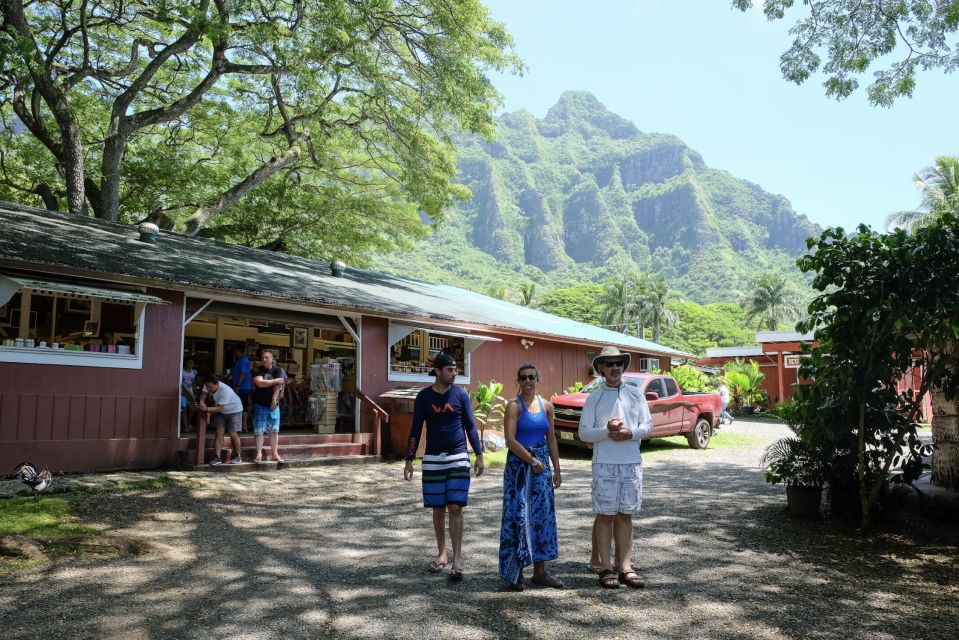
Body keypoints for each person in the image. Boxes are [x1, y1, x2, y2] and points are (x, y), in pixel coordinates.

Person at [403, 353, 484, 582]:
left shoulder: (461, 394)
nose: (454, 373)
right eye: (450, 369)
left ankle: (457, 559)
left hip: (458, 457)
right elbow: (416, 429)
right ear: (438, 371)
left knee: (456, 507)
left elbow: (470, 425)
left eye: (456, 369)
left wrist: (478, 455)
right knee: (438, 509)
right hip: (432, 460)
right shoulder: (423, 397)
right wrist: (409, 459)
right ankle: (442, 554)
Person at [579, 346, 652, 589]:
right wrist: (606, 431)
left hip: (630, 462)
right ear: (601, 368)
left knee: (625, 514)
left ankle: (626, 567)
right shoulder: (594, 397)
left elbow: (648, 426)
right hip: (605, 463)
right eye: (609, 364)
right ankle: (605, 567)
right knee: (605, 515)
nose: (614, 368)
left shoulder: (636, 394)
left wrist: (631, 432)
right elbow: (583, 432)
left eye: (618, 363)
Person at [499, 362, 563, 591]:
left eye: (531, 377)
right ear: (518, 381)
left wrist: (556, 468)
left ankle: (540, 571)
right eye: (523, 378)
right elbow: (510, 440)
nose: (528, 382)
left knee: (542, 517)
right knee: (517, 516)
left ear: (538, 379)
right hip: (520, 468)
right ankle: (514, 572)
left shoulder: (546, 406)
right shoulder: (514, 406)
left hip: (541, 469)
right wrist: (532, 460)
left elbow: (552, 439)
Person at [197, 375, 245, 465]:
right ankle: (217, 457)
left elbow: (220, 408)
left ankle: (238, 456)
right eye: (207, 387)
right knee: (219, 431)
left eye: (210, 387)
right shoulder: (208, 384)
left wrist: (206, 409)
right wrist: (202, 402)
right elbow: (203, 394)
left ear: (217, 384)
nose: (209, 389)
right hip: (221, 411)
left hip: (234, 410)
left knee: (233, 433)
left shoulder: (225, 391)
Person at [251, 349, 287, 464]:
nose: (264, 359)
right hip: (260, 403)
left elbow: (279, 386)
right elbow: (260, 383)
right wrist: (276, 381)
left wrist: (274, 399)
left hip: (274, 405)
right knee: (259, 430)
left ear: (272, 359)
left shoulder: (279, 370)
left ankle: (274, 453)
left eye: (267, 357)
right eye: (263, 357)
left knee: (274, 430)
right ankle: (259, 454)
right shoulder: (257, 370)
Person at [232, 346, 253, 431]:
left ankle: (244, 427)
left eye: (235, 351)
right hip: (239, 387)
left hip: (243, 387)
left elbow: (243, 373)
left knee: (243, 406)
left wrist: (238, 385)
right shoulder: (239, 360)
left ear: (238, 351)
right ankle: (239, 426)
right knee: (238, 406)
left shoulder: (244, 360)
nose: (235, 353)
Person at [180, 357, 198, 433]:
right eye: (188, 363)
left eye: (192, 363)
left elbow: (193, 383)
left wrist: (195, 391)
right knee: (184, 410)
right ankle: (186, 426)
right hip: (183, 393)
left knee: (192, 409)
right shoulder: (182, 372)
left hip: (190, 393)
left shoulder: (194, 372)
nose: (190, 364)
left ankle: (188, 422)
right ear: (186, 363)